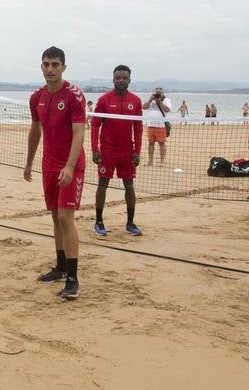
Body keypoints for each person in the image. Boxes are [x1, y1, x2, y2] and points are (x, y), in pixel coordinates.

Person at [23, 46, 86, 300]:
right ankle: (60, 267)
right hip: (48, 165)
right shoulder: (36, 97)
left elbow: (80, 133)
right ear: (41, 66)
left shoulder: (74, 95)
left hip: (70, 165)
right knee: (54, 218)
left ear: (63, 67)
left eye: (55, 64)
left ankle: (73, 278)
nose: (50, 69)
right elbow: (35, 131)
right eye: (46, 64)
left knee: (65, 218)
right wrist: (28, 162)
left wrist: (70, 166)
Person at [91, 65, 143, 236]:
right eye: (118, 77)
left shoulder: (135, 101)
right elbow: (95, 124)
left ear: (129, 80)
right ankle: (98, 222)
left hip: (127, 151)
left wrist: (137, 151)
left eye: (124, 78)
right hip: (107, 151)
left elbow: (138, 126)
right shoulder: (105, 99)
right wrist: (95, 149)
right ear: (113, 79)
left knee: (129, 185)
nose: (121, 80)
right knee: (102, 184)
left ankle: (130, 223)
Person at [142, 89, 169, 165]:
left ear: (162, 93)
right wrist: (150, 99)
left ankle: (162, 162)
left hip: (160, 125)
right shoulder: (151, 100)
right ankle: (150, 161)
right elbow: (144, 107)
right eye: (156, 93)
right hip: (150, 124)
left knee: (162, 143)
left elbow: (167, 109)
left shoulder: (166, 100)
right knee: (150, 143)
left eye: (159, 93)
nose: (157, 95)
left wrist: (159, 102)